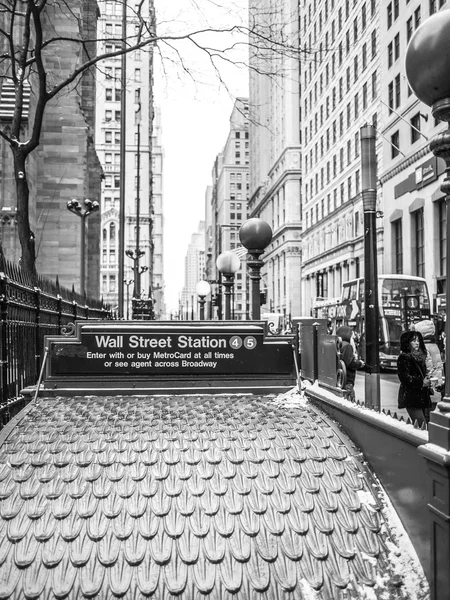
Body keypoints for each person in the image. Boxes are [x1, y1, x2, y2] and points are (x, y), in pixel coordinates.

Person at [397, 330, 432, 427]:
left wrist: (428, 379)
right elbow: (404, 378)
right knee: (422, 425)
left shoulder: (420, 357)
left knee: (421, 425)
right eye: (413, 340)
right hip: (411, 397)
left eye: (418, 340)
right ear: (407, 343)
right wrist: (421, 382)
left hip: (422, 396)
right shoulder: (404, 357)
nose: (417, 343)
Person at [413, 320, 444, 406]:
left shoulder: (425, 347)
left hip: (429, 388)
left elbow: (428, 367)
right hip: (436, 384)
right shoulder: (434, 345)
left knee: (426, 415)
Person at [336, 325, 365, 401]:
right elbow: (350, 363)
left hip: (340, 379)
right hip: (347, 380)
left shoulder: (338, 344)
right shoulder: (347, 346)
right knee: (350, 400)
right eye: (351, 335)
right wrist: (359, 364)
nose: (353, 338)